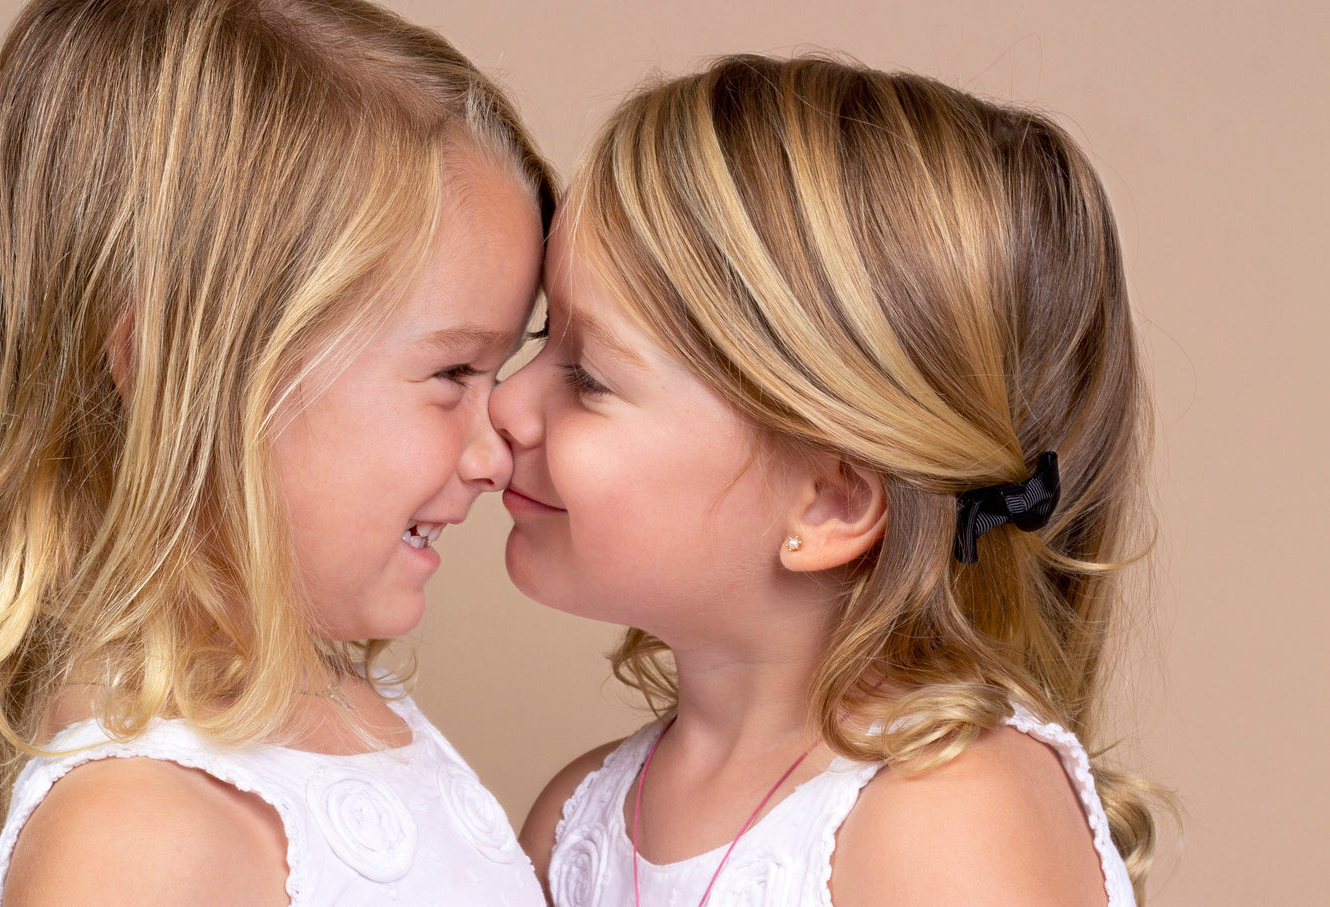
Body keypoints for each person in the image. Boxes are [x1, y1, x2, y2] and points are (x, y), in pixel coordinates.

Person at [0, 0, 554, 906]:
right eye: (452, 373)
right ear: (181, 379)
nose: (495, 452)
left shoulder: (336, 711)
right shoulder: (136, 838)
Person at [492, 55, 1164, 906]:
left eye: (587, 376)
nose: (505, 402)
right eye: (542, 334)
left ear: (830, 500)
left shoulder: (946, 817)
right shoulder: (575, 821)